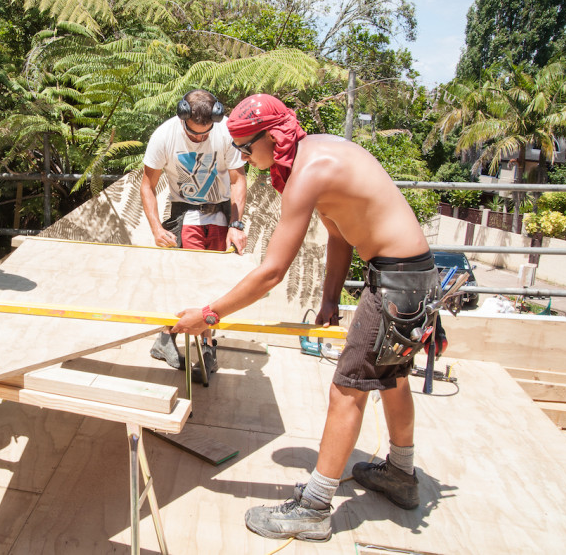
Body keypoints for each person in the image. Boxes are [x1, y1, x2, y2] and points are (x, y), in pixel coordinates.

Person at [172, 94, 442, 541]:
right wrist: (330, 298)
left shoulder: (307, 173)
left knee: (347, 389)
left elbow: (272, 272)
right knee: (392, 377)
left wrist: (209, 315)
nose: (244, 158)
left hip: (396, 283)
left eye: (246, 148)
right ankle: (401, 473)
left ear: (271, 137)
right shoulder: (318, 151)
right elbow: (339, 232)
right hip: (413, 277)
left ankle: (314, 508)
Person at [140, 89, 248, 382]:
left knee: (215, 282)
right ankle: (176, 339)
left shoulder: (225, 132)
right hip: (186, 215)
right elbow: (147, 185)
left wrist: (236, 225)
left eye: (205, 133)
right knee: (191, 281)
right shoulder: (164, 136)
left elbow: (238, 179)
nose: (200, 139)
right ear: (182, 117)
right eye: (193, 134)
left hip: (220, 213)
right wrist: (156, 227)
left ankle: (200, 344)